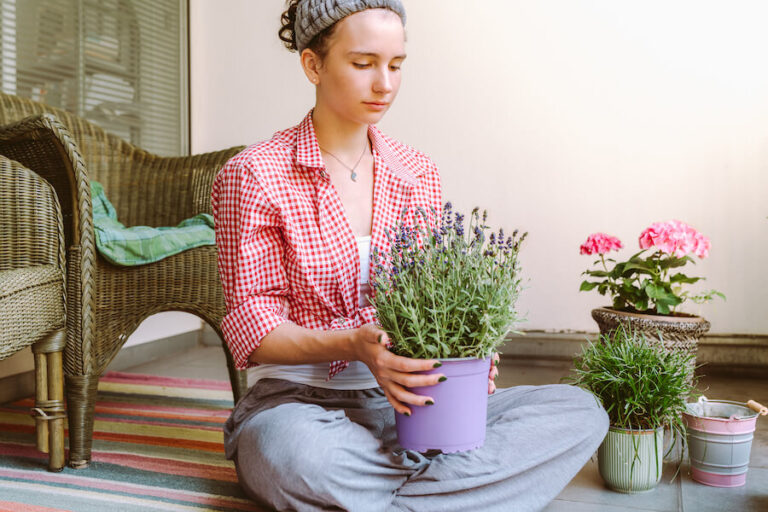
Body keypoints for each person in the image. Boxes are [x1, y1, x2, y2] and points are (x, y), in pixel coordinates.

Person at [211, 1, 609, 511]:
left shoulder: (416, 172)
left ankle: (386, 494)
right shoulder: (255, 174)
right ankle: (453, 488)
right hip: (298, 405)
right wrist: (356, 344)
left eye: (396, 64)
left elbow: (430, 295)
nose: (385, 84)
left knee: (581, 412)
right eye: (363, 64)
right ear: (313, 64)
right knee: (290, 456)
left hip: (413, 403)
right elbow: (255, 328)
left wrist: (467, 354)